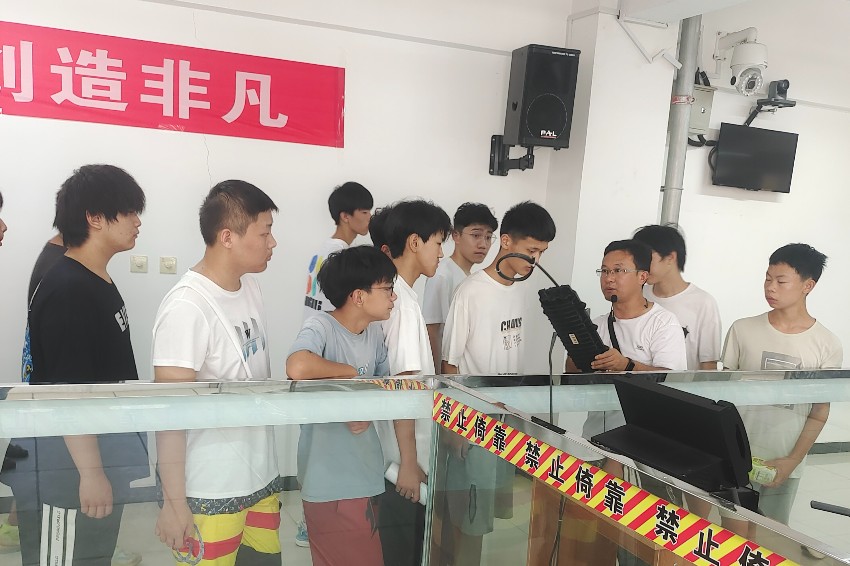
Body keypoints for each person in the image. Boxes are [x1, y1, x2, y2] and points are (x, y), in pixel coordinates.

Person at [3, 165, 148, 565]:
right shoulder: (70, 288)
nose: (138, 222)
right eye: (129, 212)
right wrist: (91, 473)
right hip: (67, 475)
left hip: (98, 461)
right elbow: (68, 393)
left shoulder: (93, 278)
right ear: (95, 218)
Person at [152, 180, 284, 564]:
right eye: (265, 233)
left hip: (261, 479)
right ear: (227, 237)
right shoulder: (187, 307)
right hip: (209, 492)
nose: (273, 243)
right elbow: (169, 416)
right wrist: (174, 503)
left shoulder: (251, 288)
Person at [440, 201, 555, 564]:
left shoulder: (519, 289)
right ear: (506, 241)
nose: (536, 260)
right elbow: (449, 364)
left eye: (542, 252)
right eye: (532, 250)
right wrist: (455, 425)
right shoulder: (471, 292)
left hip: (506, 420)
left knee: (487, 515)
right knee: (468, 518)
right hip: (473, 420)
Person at [286, 245, 398, 566]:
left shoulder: (373, 333)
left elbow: (385, 388)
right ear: (358, 296)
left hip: (365, 474)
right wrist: (349, 373)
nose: (393, 297)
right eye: (387, 289)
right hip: (330, 482)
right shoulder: (321, 326)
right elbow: (297, 366)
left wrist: (367, 408)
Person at [722, 243, 842, 529]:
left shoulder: (826, 344)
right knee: (733, 535)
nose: (770, 287)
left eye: (781, 281)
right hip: (735, 454)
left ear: (807, 286)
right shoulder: (742, 329)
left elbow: (819, 411)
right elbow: (722, 396)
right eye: (767, 279)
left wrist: (793, 460)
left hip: (785, 457)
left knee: (770, 538)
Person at [567, 240, 687, 474]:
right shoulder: (596, 325)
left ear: (642, 276)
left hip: (642, 446)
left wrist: (627, 365)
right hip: (594, 439)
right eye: (604, 271)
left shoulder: (663, 323)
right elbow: (571, 372)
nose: (609, 278)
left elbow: (671, 380)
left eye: (619, 270)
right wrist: (576, 345)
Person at [377, 199, 451, 566]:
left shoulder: (394, 294)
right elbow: (403, 386)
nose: (442, 253)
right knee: (404, 552)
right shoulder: (401, 304)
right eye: (438, 242)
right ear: (414, 242)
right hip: (403, 462)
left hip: (396, 453)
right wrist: (408, 461)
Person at [633, 224, 721, 371]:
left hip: (680, 385)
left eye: (647, 259)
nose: (641, 266)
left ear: (670, 258)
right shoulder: (638, 295)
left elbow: (708, 366)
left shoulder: (703, 303)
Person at [423, 202, 498, 371]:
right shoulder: (442, 274)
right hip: (449, 372)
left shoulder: (471, 277)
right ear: (456, 236)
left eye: (488, 237)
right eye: (476, 235)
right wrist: (438, 377)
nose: (483, 244)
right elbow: (432, 329)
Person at [304, 181, 373, 318]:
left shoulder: (322, 250)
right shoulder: (340, 255)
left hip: (312, 327)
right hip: (329, 328)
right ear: (345, 216)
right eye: (364, 212)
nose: (370, 217)